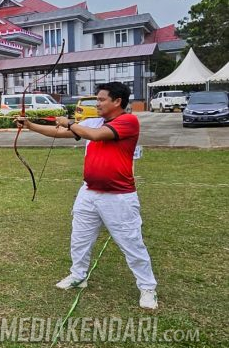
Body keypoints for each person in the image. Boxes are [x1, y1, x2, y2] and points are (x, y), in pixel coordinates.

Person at [16, 82, 158, 310]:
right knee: (80, 238)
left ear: (117, 101)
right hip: (89, 192)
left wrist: (71, 122)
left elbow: (96, 135)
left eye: (101, 99)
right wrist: (30, 125)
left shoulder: (128, 121)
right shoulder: (93, 121)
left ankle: (147, 287)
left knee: (131, 243)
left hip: (119, 197)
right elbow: (60, 132)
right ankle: (78, 276)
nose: (97, 103)